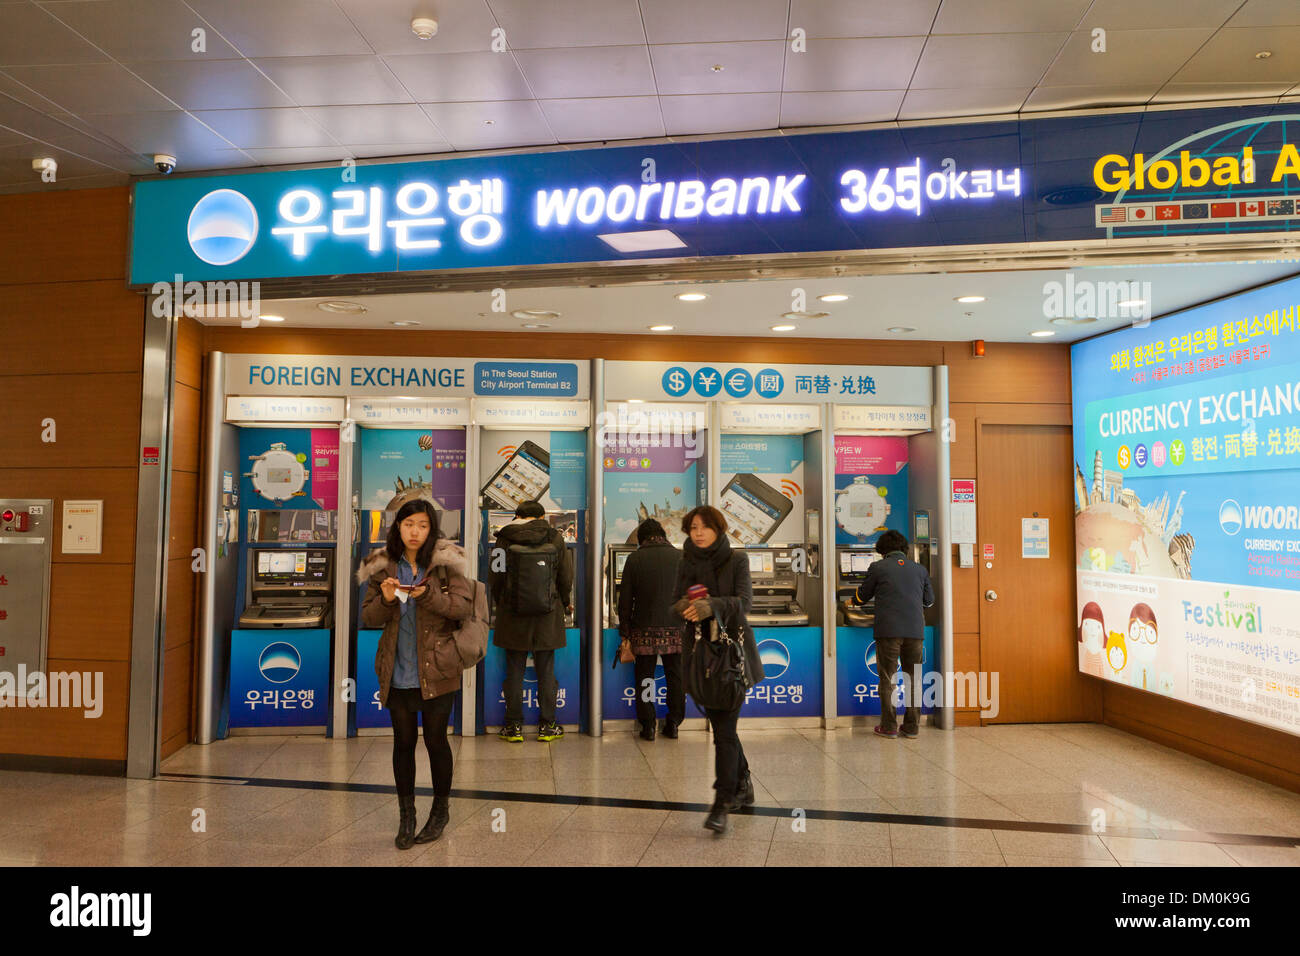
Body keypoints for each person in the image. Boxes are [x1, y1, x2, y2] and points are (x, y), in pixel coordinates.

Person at [358, 499, 475, 850]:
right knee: (403, 743)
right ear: (398, 526)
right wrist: (388, 598)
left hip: (438, 668)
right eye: (409, 524)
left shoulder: (446, 564)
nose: (415, 531)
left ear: (432, 528)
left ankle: (440, 812)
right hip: (397, 670)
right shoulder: (381, 566)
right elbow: (368, 618)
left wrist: (428, 597)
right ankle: (406, 815)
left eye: (423, 525)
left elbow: (462, 607)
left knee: (436, 741)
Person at [672, 505, 763, 834]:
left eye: (704, 527)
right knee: (723, 726)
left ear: (718, 529)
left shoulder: (736, 559)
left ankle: (722, 803)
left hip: (730, 658)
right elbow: (674, 601)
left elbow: (745, 602)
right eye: (693, 527)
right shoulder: (685, 561)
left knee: (723, 732)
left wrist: (712, 605)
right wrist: (687, 606)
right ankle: (743, 784)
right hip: (699, 658)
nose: (697, 533)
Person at [490, 499, 573, 743]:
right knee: (546, 670)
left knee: (513, 670)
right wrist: (562, 601)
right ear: (541, 516)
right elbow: (566, 577)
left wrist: (503, 602)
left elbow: (495, 576)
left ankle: (513, 727)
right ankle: (548, 726)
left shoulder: (503, 539)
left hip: (512, 614)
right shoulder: (555, 538)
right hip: (547, 614)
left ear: (517, 515)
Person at [854, 530, 935, 739]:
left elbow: (862, 597)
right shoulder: (919, 570)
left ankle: (889, 726)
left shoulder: (878, 567)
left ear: (883, 550)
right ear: (904, 549)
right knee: (913, 679)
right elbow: (929, 601)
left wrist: (851, 602)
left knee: (888, 680)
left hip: (889, 631)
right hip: (915, 632)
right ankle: (911, 727)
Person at [618, 518, 684, 741]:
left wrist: (624, 630)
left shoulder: (635, 558)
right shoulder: (681, 557)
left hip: (643, 628)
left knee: (645, 677)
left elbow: (625, 599)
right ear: (663, 535)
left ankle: (648, 725)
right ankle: (674, 722)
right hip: (676, 627)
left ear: (641, 538)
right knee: (675, 677)